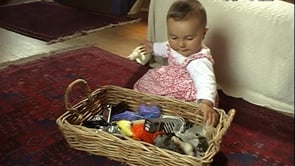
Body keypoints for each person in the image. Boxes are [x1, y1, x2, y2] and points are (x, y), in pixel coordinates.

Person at [129, 0, 218, 126]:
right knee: (149, 81)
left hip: (188, 90)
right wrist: (153, 48)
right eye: (174, 37)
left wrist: (206, 102)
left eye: (189, 38)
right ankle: (150, 108)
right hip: (169, 77)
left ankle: (170, 118)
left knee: (176, 107)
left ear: (203, 33)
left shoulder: (199, 60)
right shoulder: (174, 45)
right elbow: (166, 48)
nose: (181, 44)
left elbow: (206, 81)